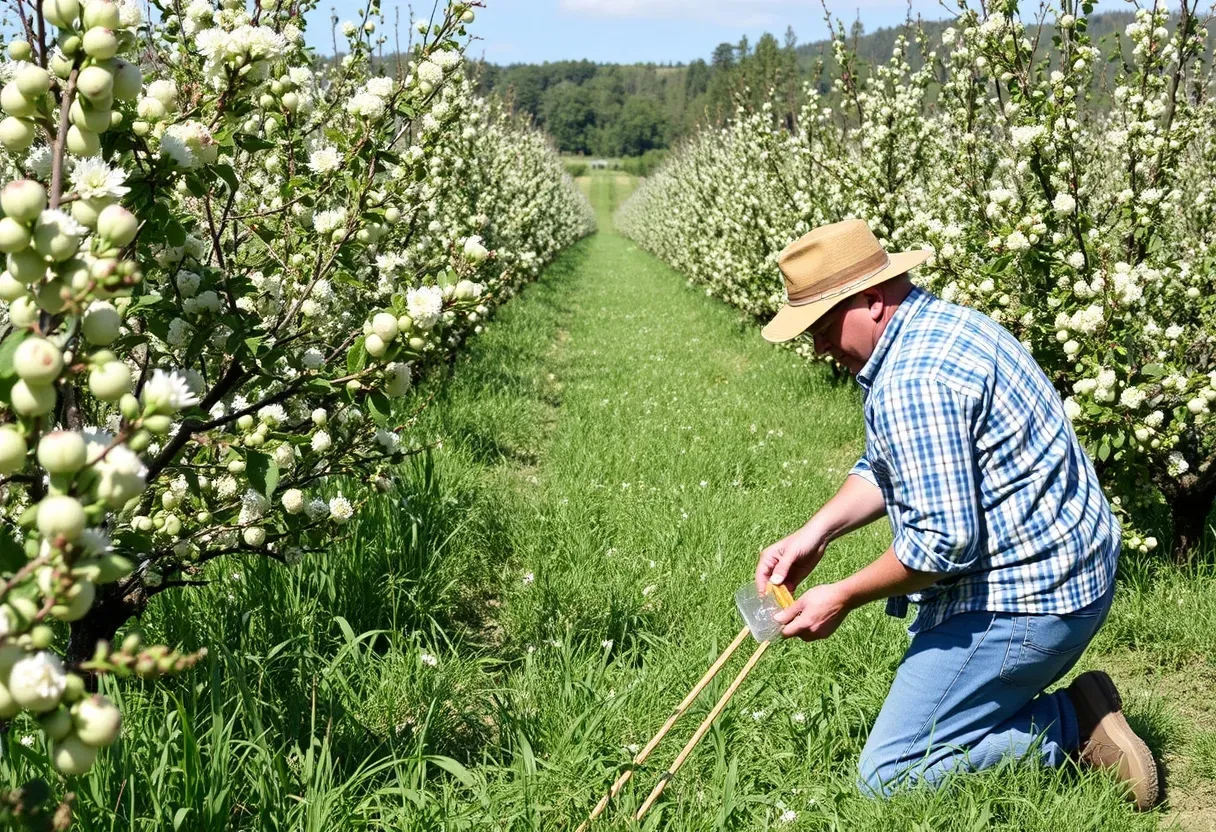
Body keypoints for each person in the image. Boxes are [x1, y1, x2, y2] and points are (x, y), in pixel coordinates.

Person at [753, 219, 1158, 809]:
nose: (815, 346)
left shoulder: (914, 377)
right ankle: (1019, 702)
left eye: (820, 325)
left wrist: (840, 595)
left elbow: (942, 545)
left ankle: (1073, 729)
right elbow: (888, 463)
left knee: (887, 778)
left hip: (1032, 601)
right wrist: (816, 533)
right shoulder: (940, 327)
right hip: (1069, 575)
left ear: (870, 302)